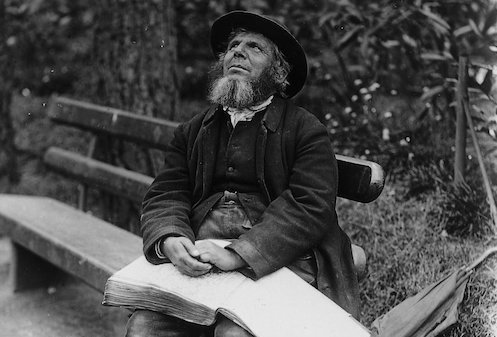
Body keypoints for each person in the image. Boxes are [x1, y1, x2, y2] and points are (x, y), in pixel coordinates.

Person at [125, 10, 360, 337]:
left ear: (278, 73)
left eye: (254, 48)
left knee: (234, 334)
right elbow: (167, 193)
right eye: (234, 45)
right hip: (202, 260)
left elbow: (309, 207)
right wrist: (169, 238)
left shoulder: (305, 129)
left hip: (277, 260)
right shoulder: (194, 130)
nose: (237, 51)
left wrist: (237, 254)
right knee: (143, 327)